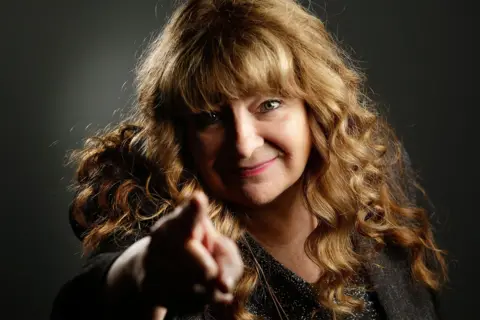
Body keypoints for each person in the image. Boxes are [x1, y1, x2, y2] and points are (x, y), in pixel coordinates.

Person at [50, 0, 447, 319]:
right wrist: (142, 275)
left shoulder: (378, 175)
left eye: (269, 104)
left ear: (315, 108)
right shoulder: (157, 223)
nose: (243, 143)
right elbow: (84, 302)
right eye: (210, 117)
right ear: (182, 135)